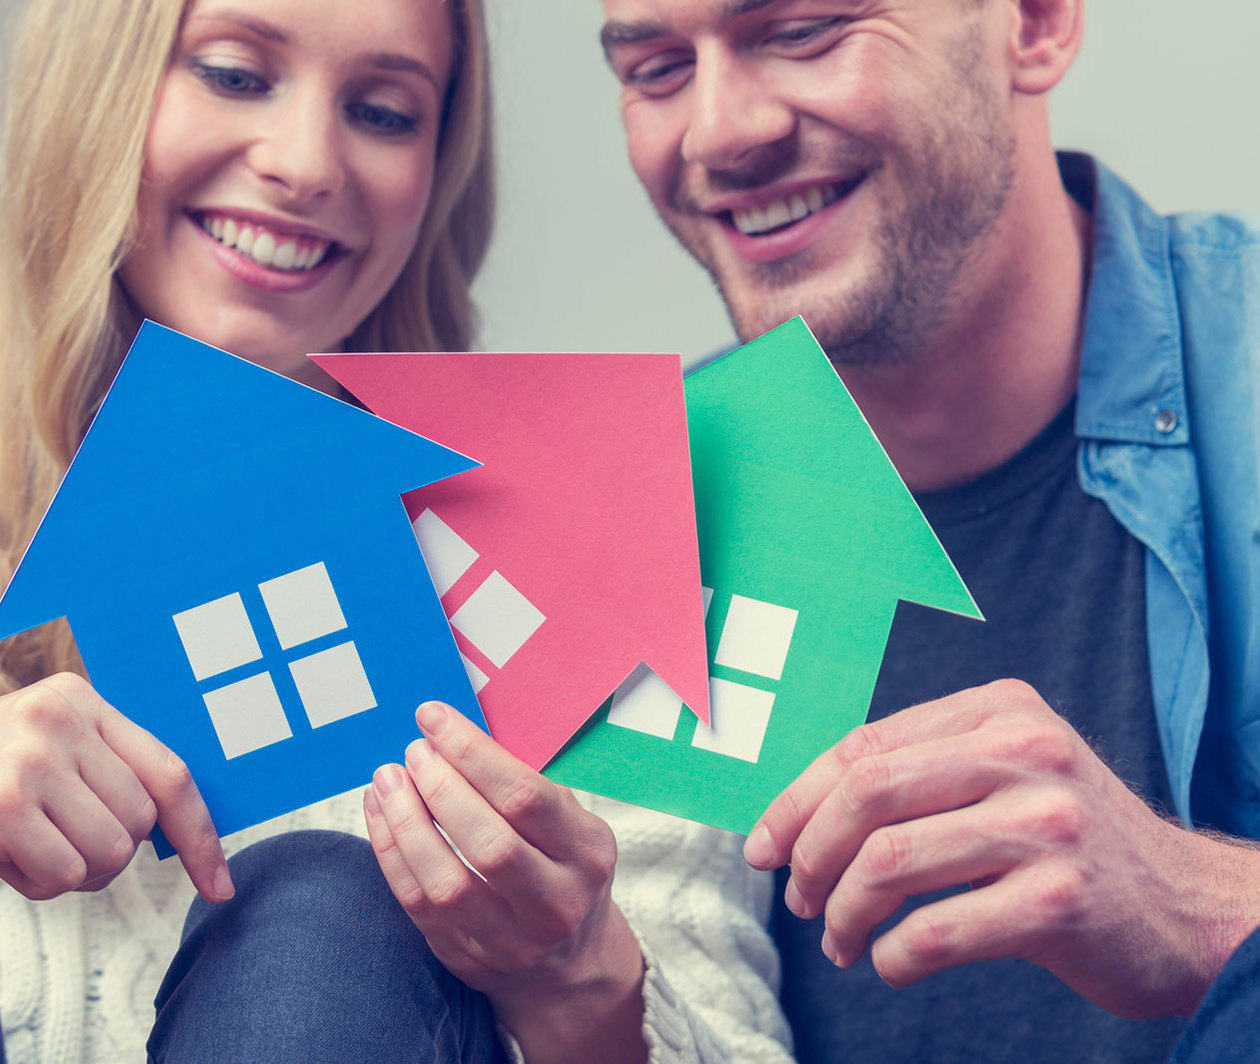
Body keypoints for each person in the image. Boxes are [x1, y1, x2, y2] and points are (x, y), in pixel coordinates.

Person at [152, 0, 1260, 1061]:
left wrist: (1202, 904)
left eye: (804, 32)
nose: (722, 131)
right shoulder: (590, 524)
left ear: (1035, 17)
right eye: (656, 69)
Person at [0, 0, 492, 1058]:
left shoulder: (524, 583)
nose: (306, 163)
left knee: (328, 902)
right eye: (233, 73)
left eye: (381, 110)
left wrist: (569, 979)